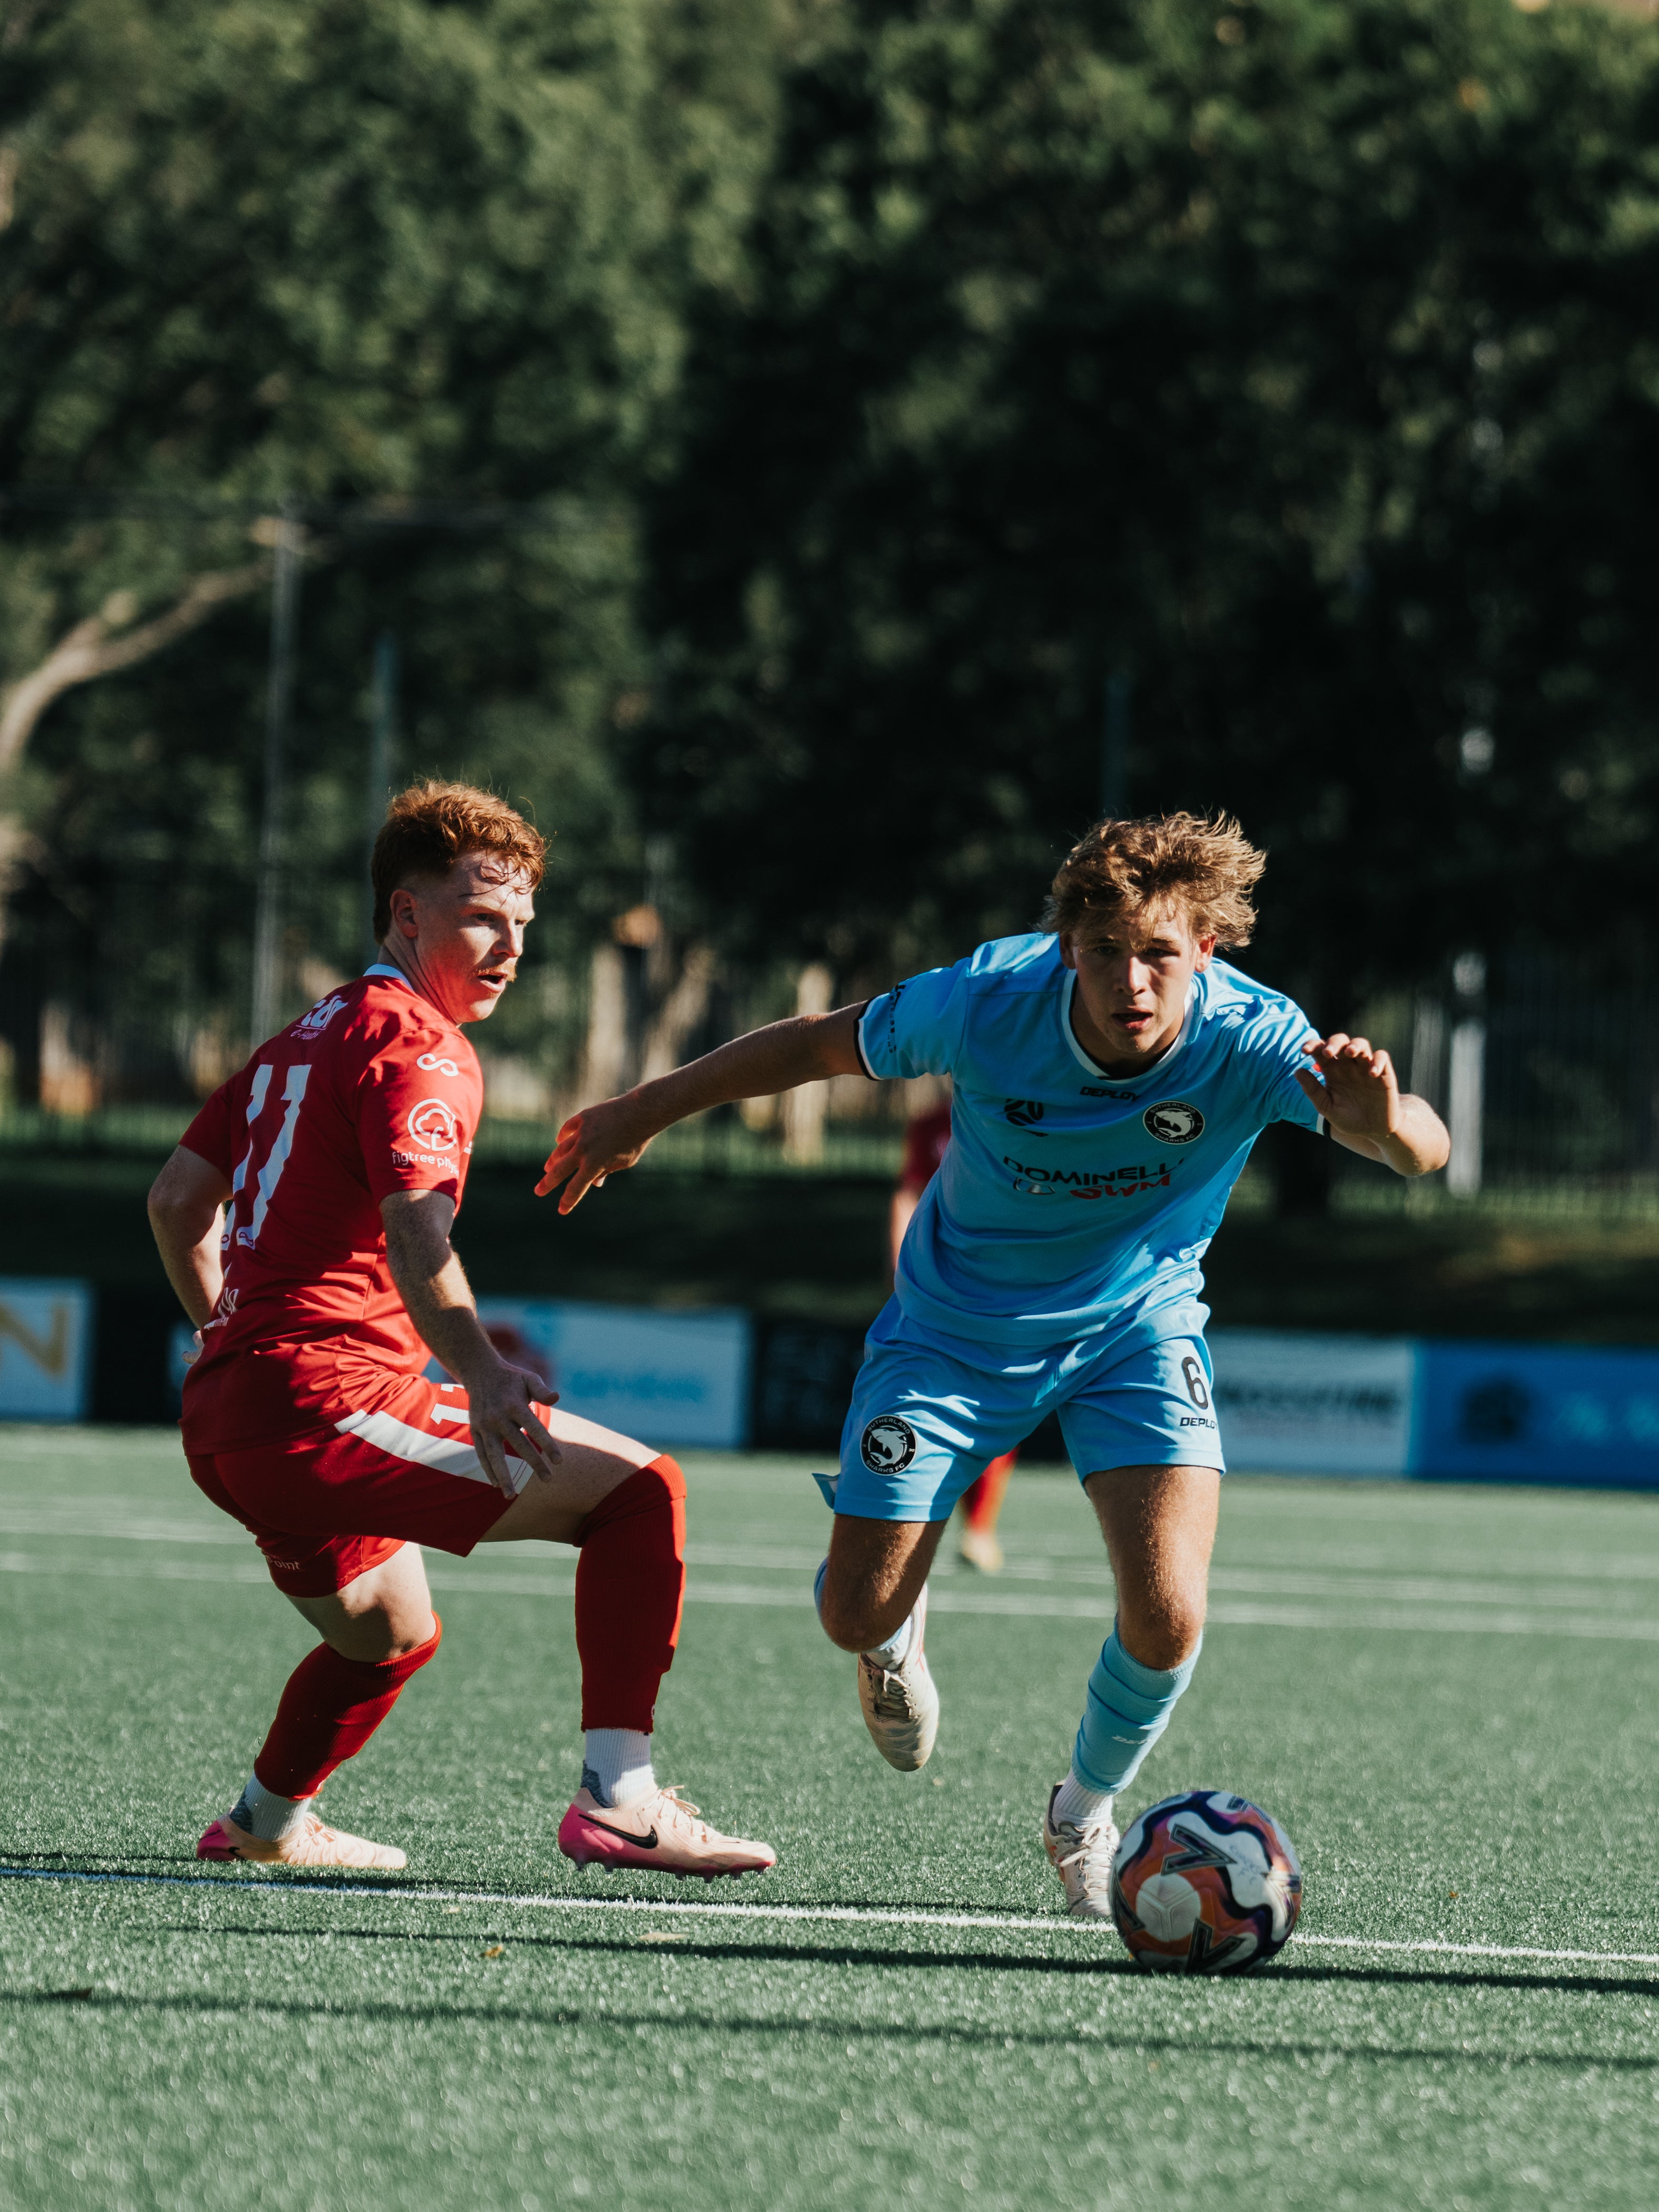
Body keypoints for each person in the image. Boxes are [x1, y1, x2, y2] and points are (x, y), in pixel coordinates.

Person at [537, 812, 1449, 1918]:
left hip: (1137, 1333)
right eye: (1104, 951)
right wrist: (640, 1111)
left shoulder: (1255, 1036)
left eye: (1159, 954)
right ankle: (892, 1636)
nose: (1132, 981)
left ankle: (1084, 1814)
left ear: (1207, 949)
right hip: (950, 1335)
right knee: (852, 1614)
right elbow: (814, 1046)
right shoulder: (984, 1000)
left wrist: (1383, 1122)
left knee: (1170, 1612)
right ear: (1067, 948)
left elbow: (1422, 1148)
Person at [148, 779, 773, 1879]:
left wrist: (227, 1335)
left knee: (387, 1633)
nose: (511, 947)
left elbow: (173, 1203)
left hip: (232, 1417)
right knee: (643, 1494)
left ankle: (263, 1822)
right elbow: (416, 1230)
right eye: (483, 915)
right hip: (325, 1402)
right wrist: (481, 1370)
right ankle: (622, 1800)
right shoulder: (420, 1045)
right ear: (406, 913)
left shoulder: (302, 1035)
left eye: (524, 923)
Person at [894, 1099, 1016, 1573]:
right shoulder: (929, 1123)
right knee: (918, 1404)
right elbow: (907, 1194)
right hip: (934, 1292)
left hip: (1000, 1291)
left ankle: (979, 1527)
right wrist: (900, 1270)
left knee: (996, 1409)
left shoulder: (1024, 1111)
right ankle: (908, 1519)